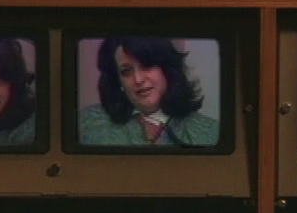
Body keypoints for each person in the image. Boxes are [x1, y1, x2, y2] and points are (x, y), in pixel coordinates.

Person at [79, 37, 219, 146]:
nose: (138, 79)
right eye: (126, 71)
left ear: (167, 70)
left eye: (146, 65)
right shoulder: (85, 123)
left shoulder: (212, 132)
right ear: (118, 82)